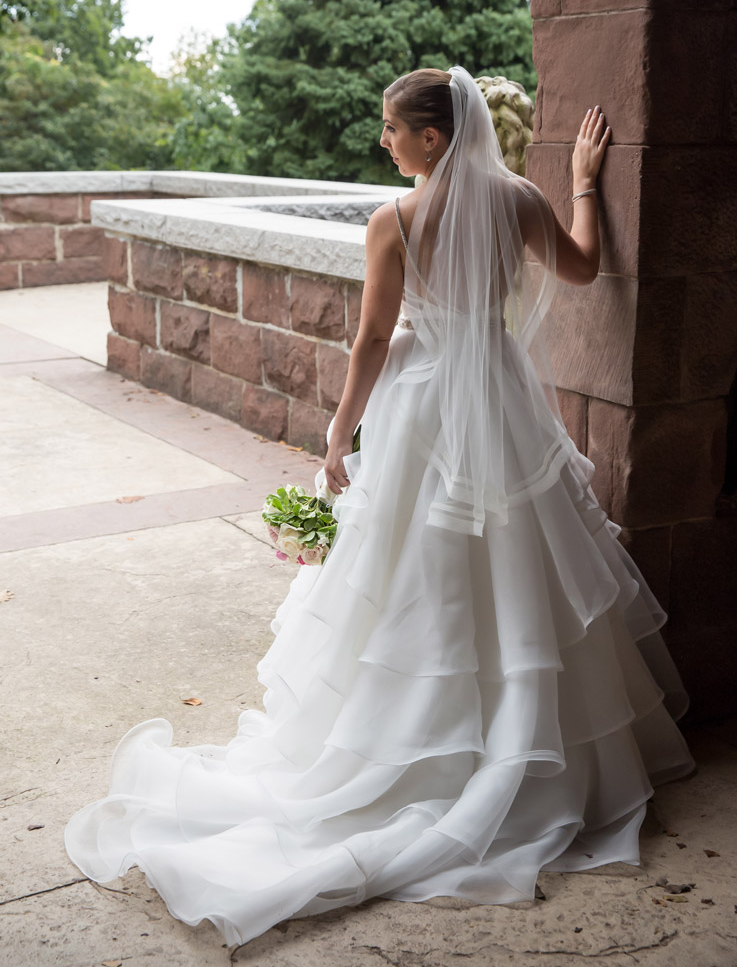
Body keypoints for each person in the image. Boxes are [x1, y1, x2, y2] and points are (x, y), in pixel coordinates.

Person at [64, 66, 695, 948]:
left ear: (432, 138)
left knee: (412, 567)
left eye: (392, 128)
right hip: (501, 399)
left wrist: (336, 433)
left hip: (424, 401)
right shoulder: (515, 198)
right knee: (517, 564)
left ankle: (416, 744)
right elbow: (585, 268)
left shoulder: (393, 219)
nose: (383, 140)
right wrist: (586, 185)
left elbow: (368, 338)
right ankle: (523, 741)